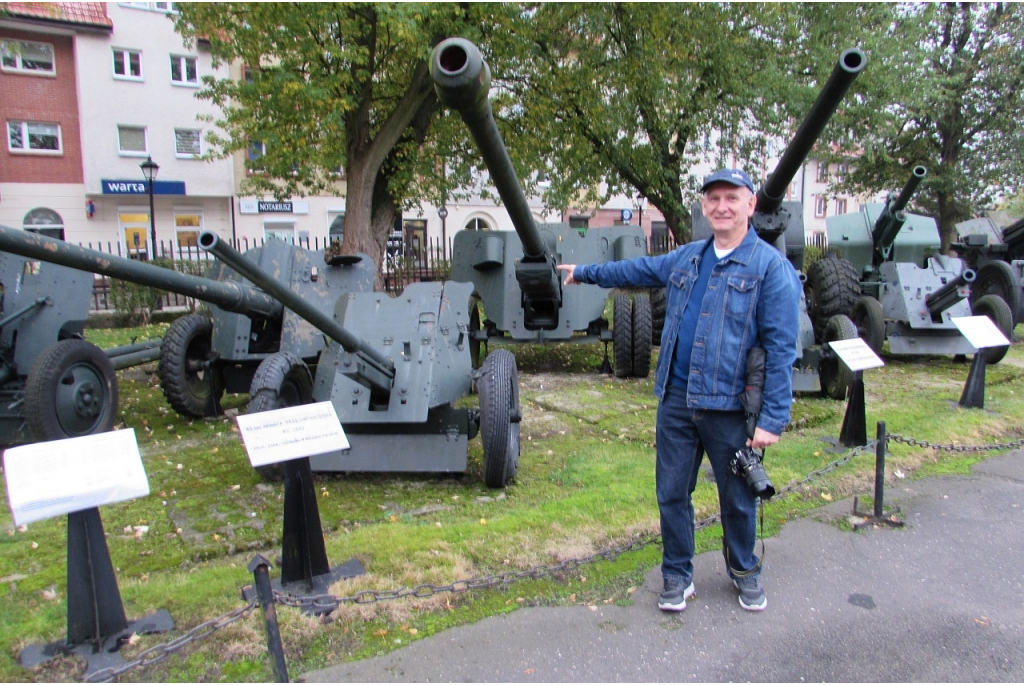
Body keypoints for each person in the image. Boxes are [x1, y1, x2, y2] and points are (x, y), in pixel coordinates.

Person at [556, 168, 800, 613]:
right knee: (671, 493)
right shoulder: (687, 257)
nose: (721, 207)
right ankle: (677, 574)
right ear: (704, 207)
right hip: (676, 400)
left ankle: (744, 571)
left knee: (738, 501)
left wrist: (771, 419)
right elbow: (638, 268)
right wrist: (586, 271)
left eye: (732, 198)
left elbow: (783, 348)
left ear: (750, 205)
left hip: (730, 409)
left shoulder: (770, 268)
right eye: (713, 199)